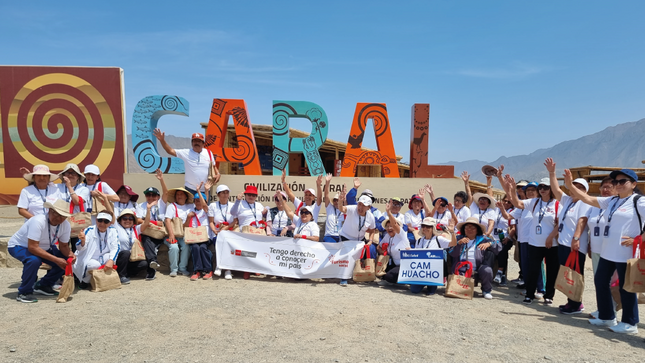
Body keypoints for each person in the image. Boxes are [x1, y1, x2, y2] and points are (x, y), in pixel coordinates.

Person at [564, 168, 642, 334]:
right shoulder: (613, 201)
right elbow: (587, 198)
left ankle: (630, 322)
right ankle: (607, 316)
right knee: (600, 281)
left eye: (623, 181)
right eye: (616, 182)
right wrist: (570, 184)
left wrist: (639, 239)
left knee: (625, 287)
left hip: (625, 253)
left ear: (633, 184)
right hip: (608, 251)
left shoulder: (639, 201)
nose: (618, 184)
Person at [545, 158, 592, 315]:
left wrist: (576, 238)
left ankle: (576, 303)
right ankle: (571, 301)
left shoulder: (584, 203)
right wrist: (552, 173)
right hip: (565, 243)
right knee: (568, 273)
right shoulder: (568, 201)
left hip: (576, 244)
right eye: (574, 186)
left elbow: (582, 220)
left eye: (580, 187)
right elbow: (556, 189)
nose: (576, 189)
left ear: (585, 191)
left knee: (576, 273)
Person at [506, 175, 561, 305]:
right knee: (532, 270)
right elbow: (517, 203)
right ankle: (529, 295)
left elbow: (560, 223)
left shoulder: (558, 204)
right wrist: (513, 190)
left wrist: (551, 236)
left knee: (552, 270)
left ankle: (549, 295)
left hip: (551, 244)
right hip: (535, 242)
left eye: (546, 187)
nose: (542, 189)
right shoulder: (534, 202)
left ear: (552, 188)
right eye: (540, 187)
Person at [8, 199, 74, 303]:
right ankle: (24, 292)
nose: (58, 218)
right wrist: (56, 259)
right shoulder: (38, 221)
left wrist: (71, 255)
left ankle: (43, 285)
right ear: (50, 211)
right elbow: (33, 247)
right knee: (33, 260)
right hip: (19, 246)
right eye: (56, 214)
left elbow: (64, 246)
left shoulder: (66, 225)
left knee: (65, 260)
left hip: (44, 247)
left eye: (62, 216)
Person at [584, 176, 617, 320]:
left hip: (612, 251)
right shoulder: (595, 206)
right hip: (597, 249)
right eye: (603, 187)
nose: (606, 190)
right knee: (600, 282)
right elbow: (592, 226)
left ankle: (612, 312)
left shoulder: (617, 206)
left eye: (609, 187)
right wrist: (590, 244)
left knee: (612, 283)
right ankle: (603, 309)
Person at [448, 217, 501, 300]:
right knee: (458, 286)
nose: (470, 229)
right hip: (461, 267)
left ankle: (486, 291)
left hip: (478, 267)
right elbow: (452, 253)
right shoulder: (458, 238)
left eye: (473, 227)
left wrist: (490, 244)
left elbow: (499, 245)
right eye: (467, 227)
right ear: (464, 229)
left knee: (487, 270)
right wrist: (458, 244)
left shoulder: (483, 239)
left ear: (477, 230)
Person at [154, 129, 220, 194]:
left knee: (205, 205)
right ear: (192, 143)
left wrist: (218, 174)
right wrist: (162, 140)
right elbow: (170, 151)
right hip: (190, 190)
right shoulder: (186, 153)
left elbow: (213, 166)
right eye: (194, 141)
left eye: (199, 141)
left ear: (203, 143)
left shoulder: (208, 153)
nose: (196, 143)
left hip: (205, 189)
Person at [338, 186, 378, 286]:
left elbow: (372, 230)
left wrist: (371, 240)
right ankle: (344, 278)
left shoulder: (371, 216)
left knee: (367, 252)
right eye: (359, 204)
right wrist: (340, 201)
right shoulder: (352, 209)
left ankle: (366, 274)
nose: (360, 207)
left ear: (369, 207)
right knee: (347, 257)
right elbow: (341, 208)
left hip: (360, 240)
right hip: (346, 237)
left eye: (364, 205)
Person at [408, 216, 456, 295]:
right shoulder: (419, 241)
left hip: (433, 272)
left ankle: (431, 285)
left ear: (433, 228)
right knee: (414, 290)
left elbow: (453, 243)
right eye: (423, 226)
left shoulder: (438, 239)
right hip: (422, 271)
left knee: (431, 292)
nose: (425, 228)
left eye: (428, 226)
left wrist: (452, 232)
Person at [73, 211, 120, 289]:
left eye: (106, 221)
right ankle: (85, 281)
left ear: (110, 223)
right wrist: (83, 241)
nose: (102, 223)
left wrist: (111, 260)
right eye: (100, 220)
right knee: (94, 265)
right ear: (96, 220)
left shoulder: (113, 231)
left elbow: (116, 247)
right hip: (90, 257)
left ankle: (102, 280)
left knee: (111, 258)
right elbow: (79, 248)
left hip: (103, 256)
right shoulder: (90, 230)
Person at [230, 185, 267, 279]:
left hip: (257, 231)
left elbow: (265, 213)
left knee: (258, 250)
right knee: (247, 250)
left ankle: (256, 268)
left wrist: (267, 209)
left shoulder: (258, 205)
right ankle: (246, 269)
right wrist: (237, 200)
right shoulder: (241, 203)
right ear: (245, 195)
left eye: (253, 195)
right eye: (249, 194)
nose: (251, 197)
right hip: (245, 231)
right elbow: (233, 212)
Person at [377, 202, 412, 287]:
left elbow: (395, 224)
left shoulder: (401, 234)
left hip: (406, 264)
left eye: (391, 226)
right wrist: (383, 252)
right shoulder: (387, 236)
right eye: (387, 226)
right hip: (394, 263)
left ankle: (407, 280)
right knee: (380, 271)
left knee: (389, 276)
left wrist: (389, 213)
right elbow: (378, 247)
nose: (389, 228)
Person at [165, 187, 195, 277]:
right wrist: (171, 234)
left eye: (181, 194)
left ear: (186, 196)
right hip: (172, 233)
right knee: (174, 247)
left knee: (186, 246)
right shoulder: (171, 206)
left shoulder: (190, 207)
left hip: (184, 233)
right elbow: (167, 220)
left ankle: (182, 268)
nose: (179, 196)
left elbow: (203, 205)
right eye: (177, 194)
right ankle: (173, 269)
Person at [208, 184, 237, 280]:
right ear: (218, 194)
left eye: (227, 192)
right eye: (223, 193)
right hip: (217, 232)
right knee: (219, 241)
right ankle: (222, 267)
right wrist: (215, 231)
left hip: (229, 231)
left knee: (228, 242)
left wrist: (225, 228)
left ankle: (225, 269)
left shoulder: (233, 205)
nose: (225, 195)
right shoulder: (213, 205)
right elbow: (211, 222)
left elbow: (235, 221)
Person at [114, 209, 148, 284]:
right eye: (125, 218)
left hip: (132, 257)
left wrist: (148, 209)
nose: (127, 220)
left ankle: (127, 273)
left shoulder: (135, 229)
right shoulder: (117, 227)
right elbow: (111, 214)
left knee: (143, 264)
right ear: (120, 220)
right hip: (120, 257)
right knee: (125, 253)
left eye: (130, 218)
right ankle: (121, 275)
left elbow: (146, 223)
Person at [188, 191, 213, 281]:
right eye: (196, 200)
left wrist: (199, 190)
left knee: (202, 247)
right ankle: (197, 271)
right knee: (195, 247)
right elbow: (185, 226)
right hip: (194, 238)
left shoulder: (207, 210)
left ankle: (208, 270)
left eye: (200, 200)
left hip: (206, 237)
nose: (198, 202)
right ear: (194, 202)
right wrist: (188, 217)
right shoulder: (190, 211)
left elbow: (204, 205)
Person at [492, 197, 515, 286]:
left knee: (502, 250)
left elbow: (513, 228)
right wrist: (489, 183)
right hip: (494, 238)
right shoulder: (497, 209)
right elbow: (490, 196)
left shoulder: (511, 213)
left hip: (505, 238)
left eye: (509, 202)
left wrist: (508, 237)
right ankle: (499, 275)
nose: (506, 203)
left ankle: (500, 272)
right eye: (504, 200)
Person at [323, 174, 344, 242]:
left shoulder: (344, 210)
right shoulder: (330, 208)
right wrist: (327, 182)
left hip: (341, 236)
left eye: (338, 200)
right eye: (335, 200)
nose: (336, 202)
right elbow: (326, 195)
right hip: (330, 236)